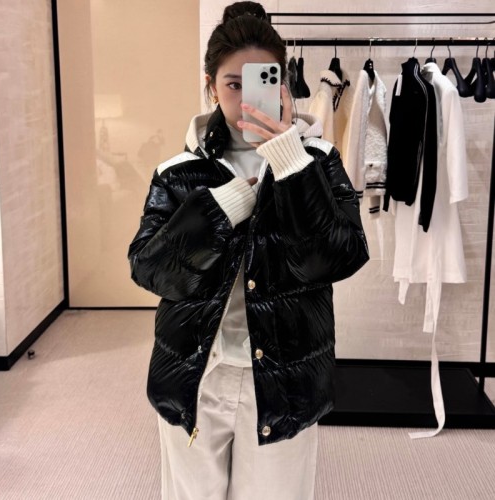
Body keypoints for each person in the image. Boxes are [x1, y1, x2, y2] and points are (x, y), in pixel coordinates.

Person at [128, 2, 369, 499]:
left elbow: (337, 257)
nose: (244, 98)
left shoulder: (319, 161)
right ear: (211, 86)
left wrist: (291, 162)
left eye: (262, 80)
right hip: (197, 374)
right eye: (232, 84)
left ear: (284, 83)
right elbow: (151, 270)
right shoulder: (178, 172)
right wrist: (228, 204)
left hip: (285, 375)